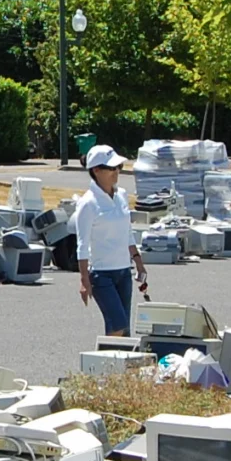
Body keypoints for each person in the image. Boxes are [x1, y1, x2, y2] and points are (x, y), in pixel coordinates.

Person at [73, 142, 147, 336]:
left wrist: (138, 261)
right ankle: (108, 364)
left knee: (125, 329)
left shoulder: (121, 195)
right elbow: (82, 244)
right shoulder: (87, 203)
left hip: (123, 271)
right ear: (96, 170)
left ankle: (119, 364)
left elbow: (127, 232)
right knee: (117, 325)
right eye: (111, 168)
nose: (116, 172)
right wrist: (83, 280)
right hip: (101, 274)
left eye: (119, 167)